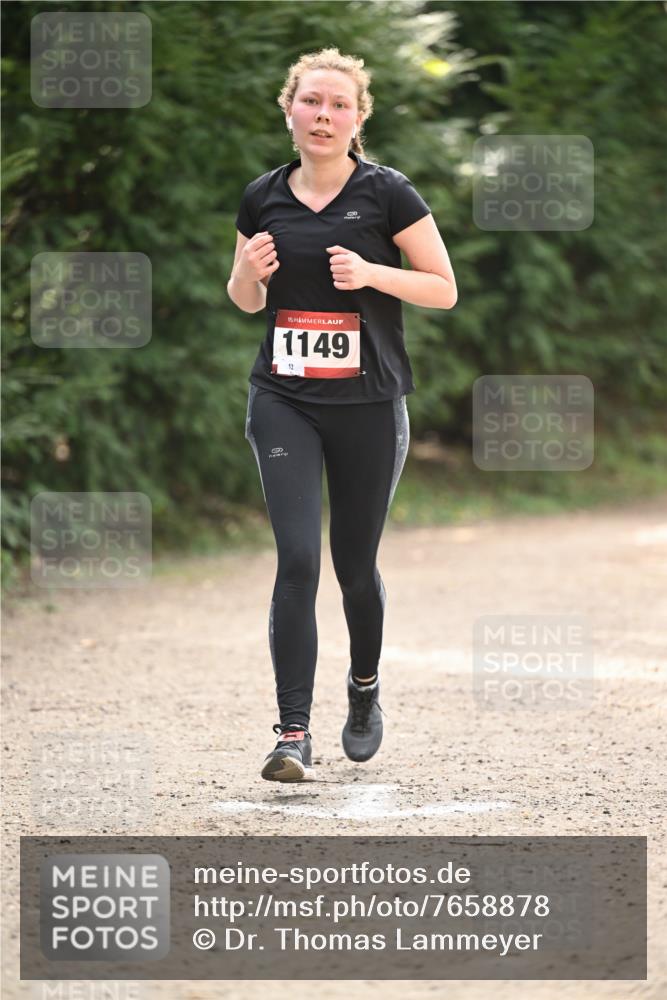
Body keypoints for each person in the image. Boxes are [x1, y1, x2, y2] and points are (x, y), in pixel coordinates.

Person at [227, 46, 457, 782]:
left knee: (353, 566)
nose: (322, 115)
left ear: (357, 119)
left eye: (337, 105)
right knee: (296, 560)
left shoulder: (387, 194)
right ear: (288, 109)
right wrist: (243, 275)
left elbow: (441, 288)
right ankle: (292, 732)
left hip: (367, 403)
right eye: (310, 102)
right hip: (283, 398)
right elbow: (245, 299)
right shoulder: (262, 195)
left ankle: (362, 691)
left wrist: (371, 273)